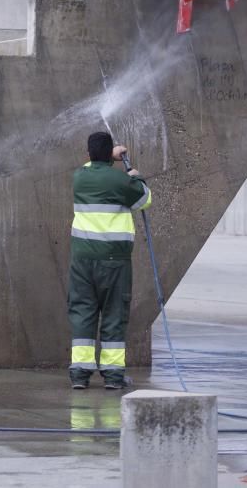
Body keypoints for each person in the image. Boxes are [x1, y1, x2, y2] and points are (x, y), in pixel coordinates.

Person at [68, 131, 152, 390]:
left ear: (88, 154)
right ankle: (113, 377)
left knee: (83, 313)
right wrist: (137, 177)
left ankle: (80, 375)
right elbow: (145, 199)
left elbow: (89, 166)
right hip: (115, 261)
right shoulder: (121, 181)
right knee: (114, 314)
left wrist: (104, 157)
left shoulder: (79, 178)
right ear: (110, 156)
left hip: (82, 260)